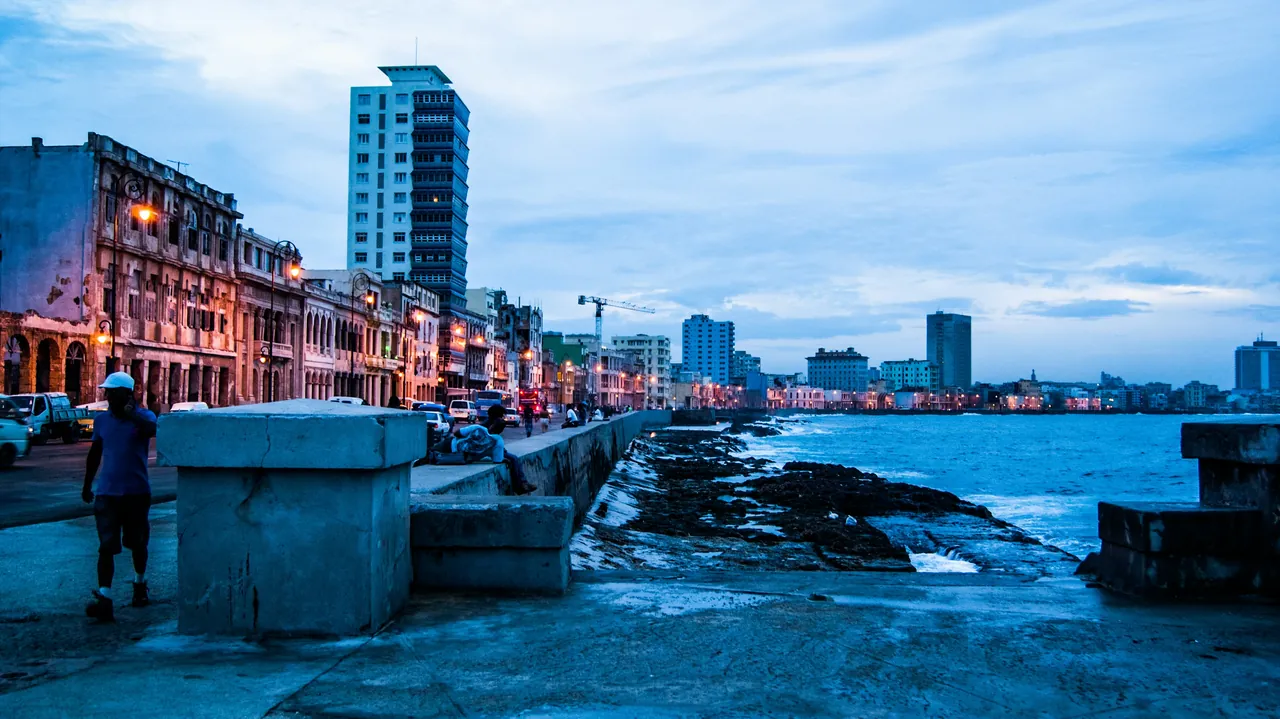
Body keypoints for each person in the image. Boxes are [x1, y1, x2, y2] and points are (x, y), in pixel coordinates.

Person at [82, 372, 158, 622]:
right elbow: (95, 453)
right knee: (106, 547)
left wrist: (131, 414)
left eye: (112, 393)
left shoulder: (143, 417)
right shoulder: (102, 420)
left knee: (138, 543)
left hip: (136, 492)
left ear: (127, 394)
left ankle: (139, 584)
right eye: (107, 393)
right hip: (107, 493)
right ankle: (105, 598)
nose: (107, 397)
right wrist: (87, 484)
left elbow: (152, 430)